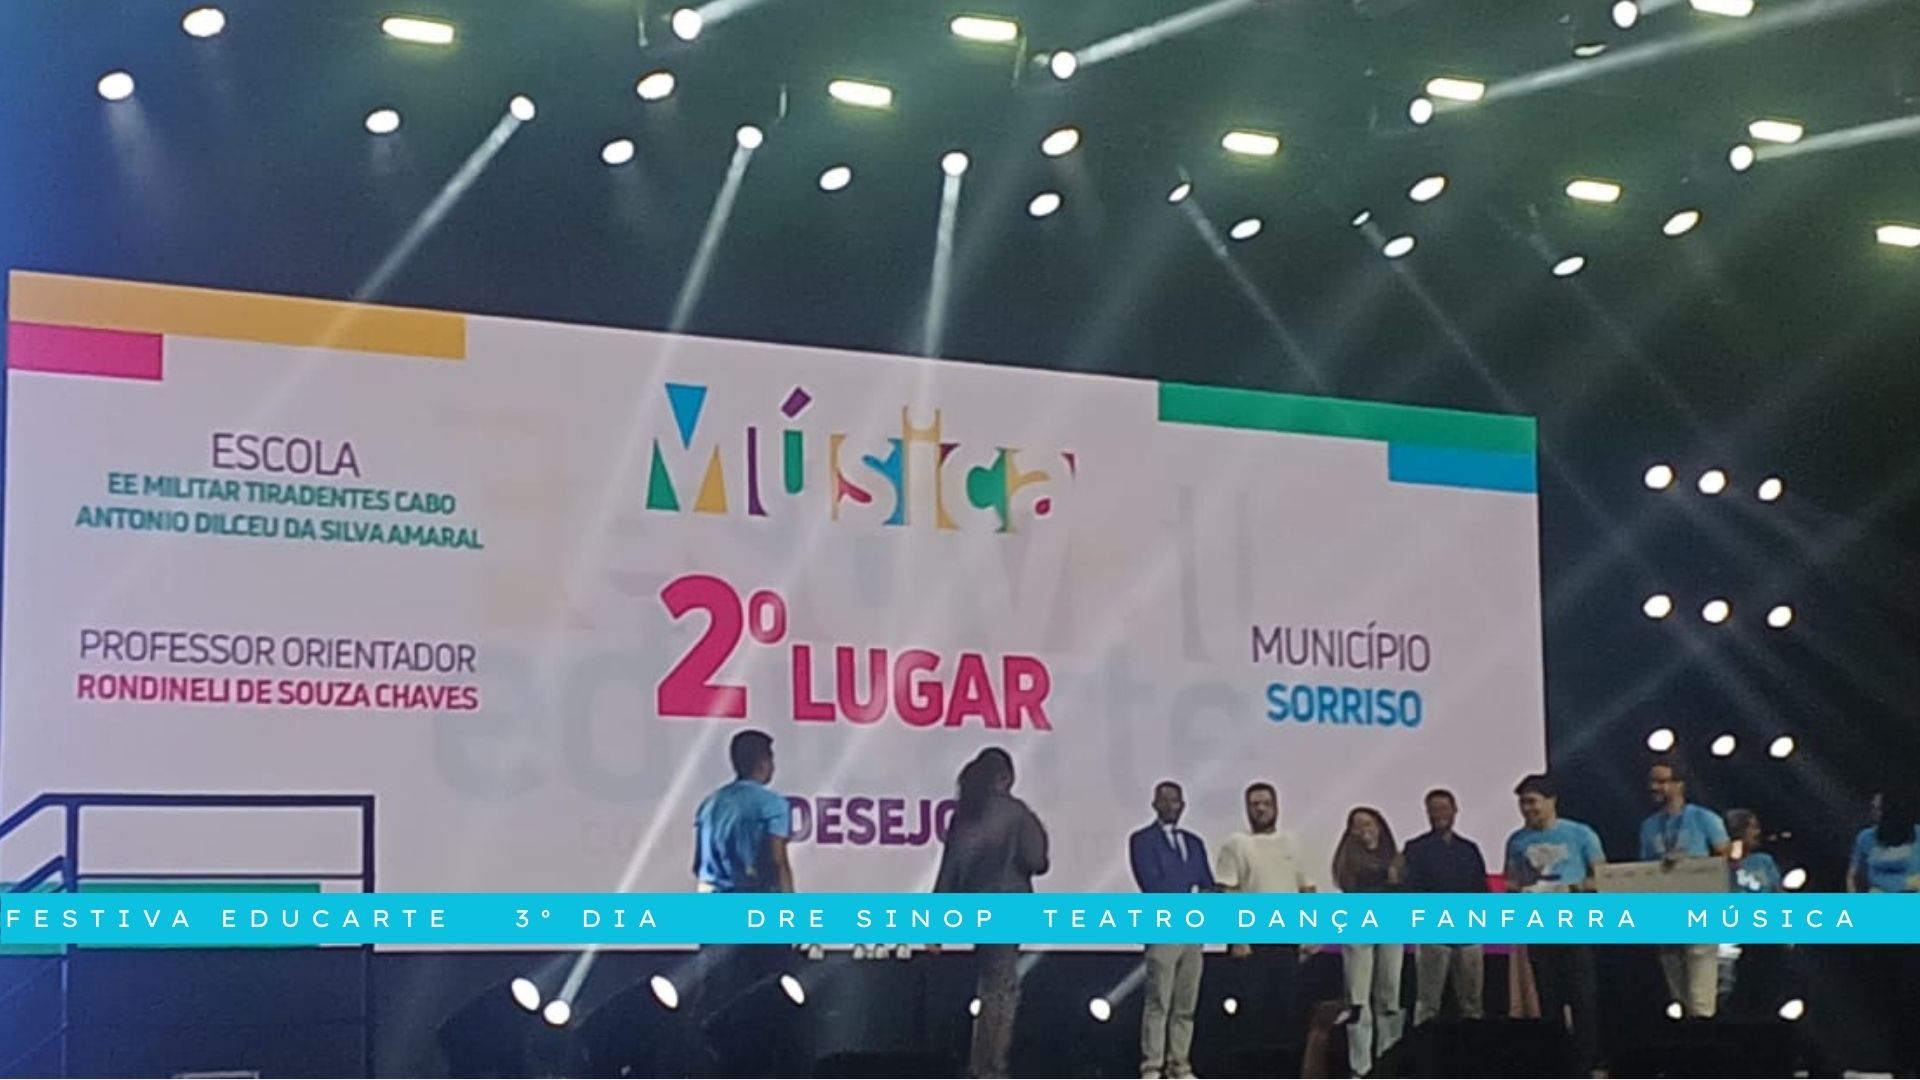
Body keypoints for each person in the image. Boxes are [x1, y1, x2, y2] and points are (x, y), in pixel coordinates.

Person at [934, 748, 1050, 1079]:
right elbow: (1037, 861)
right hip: (1009, 907)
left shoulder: (965, 813)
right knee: (1001, 990)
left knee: (988, 985)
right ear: (1007, 777)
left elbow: (949, 869)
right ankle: (990, 1067)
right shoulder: (1017, 813)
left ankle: (980, 1064)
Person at [690, 730, 795, 1073]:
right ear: (764, 763)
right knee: (766, 1002)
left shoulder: (710, 804)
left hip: (713, 912)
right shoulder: (770, 804)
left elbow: (699, 866)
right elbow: (777, 860)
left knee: (717, 1004)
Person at [1503, 773, 1605, 1076]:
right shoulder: (1517, 840)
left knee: (1582, 999)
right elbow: (1511, 881)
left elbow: (1602, 877)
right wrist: (1520, 891)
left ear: (1551, 801)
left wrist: (1572, 889)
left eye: (1532, 802)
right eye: (1522, 804)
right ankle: (1555, 1064)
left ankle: (1585, 1065)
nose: (1527, 809)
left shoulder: (1580, 834)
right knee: (1549, 999)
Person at [1214, 782, 1315, 1055]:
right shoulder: (1236, 844)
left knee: (1286, 1009)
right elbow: (1229, 893)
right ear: (1247, 809)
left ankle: (1281, 1066)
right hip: (1253, 943)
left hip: (1288, 941)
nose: (1260, 809)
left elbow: (1307, 890)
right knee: (1253, 1011)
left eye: (1266, 804)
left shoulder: (1292, 842)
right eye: (1255, 804)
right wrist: (1237, 938)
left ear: (1276, 807)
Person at [1129, 781, 1215, 1080]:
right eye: (1165, 800)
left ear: (1183, 805)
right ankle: (1152, 1065)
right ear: (1154, 804)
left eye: (1176, 800)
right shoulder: (1142, 840)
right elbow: (1152, 884)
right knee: (1159, 1001)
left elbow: (1207, 882)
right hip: (1163, 928)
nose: (1171, 806)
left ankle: (1180, 1063)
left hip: (1193, 931)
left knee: (1185, 1003)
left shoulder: (1194, 842)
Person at [1638, 758, 1730, 1019]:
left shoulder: (1703, 817)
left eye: (1661, 781)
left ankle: (1704, 1029)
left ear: (1679, 784)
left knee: (1701, 981)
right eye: (1651, 782)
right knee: (1677, 987)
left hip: (1700, 905)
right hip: (1664, 909)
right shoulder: (1649, 825)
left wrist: (1690, 864)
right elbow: (1645, 866)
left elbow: (1725, 854)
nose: (1654, 787)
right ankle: (1688, 1030)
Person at [1403, 788, 1489, 1025]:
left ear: (1455, 810)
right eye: (1433, 810)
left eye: (1443, 808)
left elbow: (1481, 889)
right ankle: (1424, 1047)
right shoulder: (1415, 848)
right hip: (1433, 935)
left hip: (1469, 935)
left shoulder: (1469, 849)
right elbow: (1412, 890)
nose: (1438, 814)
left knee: (1472, 1004)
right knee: (1428, 1004)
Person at [1332, 807, 1406, 1077]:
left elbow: (1403, 886)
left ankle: (1389, 1061)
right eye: (1358, 826)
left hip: (1391, 921)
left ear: (1380, 826)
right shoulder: (1347, 858)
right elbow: (1347, 881)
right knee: (1358, 998)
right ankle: (1360, 1068)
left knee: (1389, 995)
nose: (1364, 830)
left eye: (1369, 824)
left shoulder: (1395, 857)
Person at [1719, 808, 1781, 1016]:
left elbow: (1778, 895)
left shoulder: (1764, 861)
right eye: (1752, 827)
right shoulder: (1720, 865)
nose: (1758, 832)